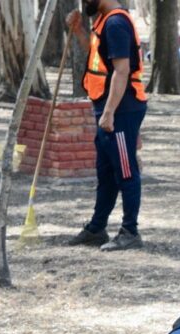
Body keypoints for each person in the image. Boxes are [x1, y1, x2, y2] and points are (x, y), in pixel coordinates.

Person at [66, 0, 147, 251]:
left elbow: (122, 72)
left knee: (125, 171)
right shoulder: (103, 21)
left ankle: (130, 232)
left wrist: (110, 112)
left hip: (119, 111)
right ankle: (97, 228)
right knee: (106, 173)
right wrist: (79, 31)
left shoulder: (115, 23)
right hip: (108, 108)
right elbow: (98, 62)